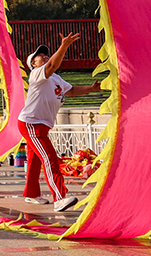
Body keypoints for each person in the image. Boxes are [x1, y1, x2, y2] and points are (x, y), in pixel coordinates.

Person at [19, 34, 101, 212]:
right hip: (32, 123)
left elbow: (71, 91)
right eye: (39, 55)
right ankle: (60, 198)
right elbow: (53, 65)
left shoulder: (55, 78)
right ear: (33, 63)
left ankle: (31, 194)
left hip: (40, 125)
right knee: (49, 159)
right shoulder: (37, 74)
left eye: (45, 53)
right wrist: (64, 46)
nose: (44, 55)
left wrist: (91, 89)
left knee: (35, 160)